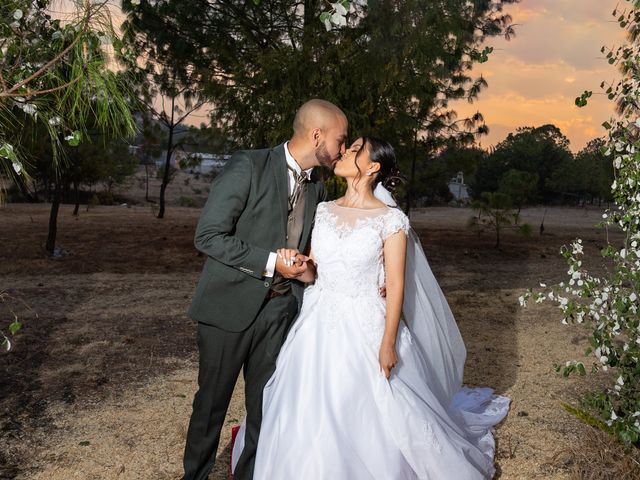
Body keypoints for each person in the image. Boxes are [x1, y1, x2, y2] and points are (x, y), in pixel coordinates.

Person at [232, 136, 511, 479]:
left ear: (373, 167)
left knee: (374, 407)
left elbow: (395, 285)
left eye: (354, 150)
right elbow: (313, 271)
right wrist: (298, 264)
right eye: (347, 148)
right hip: (317, 324)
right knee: (309, 404)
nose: (344, 152)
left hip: (366, 323)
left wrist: (388, 343)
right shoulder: (324, 209)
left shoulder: (390, 221)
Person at [182, 99, 348, 480]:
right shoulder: (249, 165)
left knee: (266, 409)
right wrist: (272, 261)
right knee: (211, 406)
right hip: (228, 307)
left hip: (280, 311)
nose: (342, 147)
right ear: (317, 135)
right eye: (340, 139)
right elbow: (208, 236)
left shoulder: (318, 189)